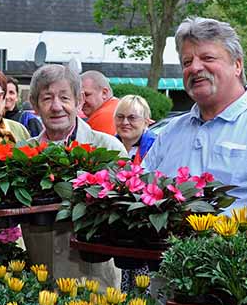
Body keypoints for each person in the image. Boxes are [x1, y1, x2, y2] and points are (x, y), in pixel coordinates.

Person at [142, 16, 247, 207]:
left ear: (237, 65)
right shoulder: (171, 131)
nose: (195, 68)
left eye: (208, 58)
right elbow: (141, 192)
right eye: (187, 62)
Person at [20, 64, 125, 285]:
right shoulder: (22, 154)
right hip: (40, 281)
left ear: (79, 102)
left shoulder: (107, 147)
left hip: (94, 282)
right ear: (35, 106)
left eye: (64, 98)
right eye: (47, 98)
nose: (56, 106)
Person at [114, 94, 157, 162]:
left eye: (132, 118)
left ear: (146, 122)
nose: (125, 122)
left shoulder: (155, 148)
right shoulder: (109, 145)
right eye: (120, 117)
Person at [80, 70, 117, 135]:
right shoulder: (117, 107)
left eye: (86, 95)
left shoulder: (103, 116)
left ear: (104, 93)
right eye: (78, 96)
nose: (81, 101)